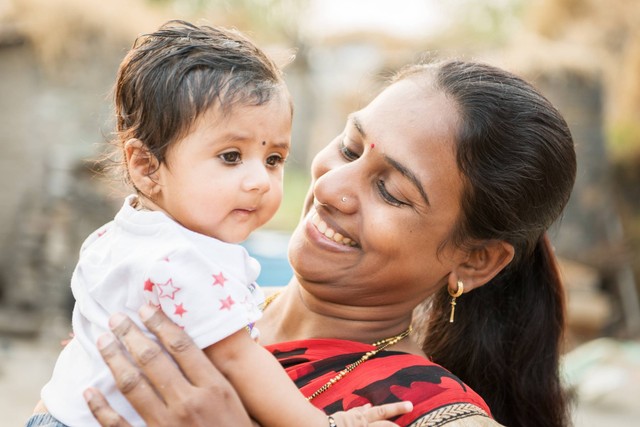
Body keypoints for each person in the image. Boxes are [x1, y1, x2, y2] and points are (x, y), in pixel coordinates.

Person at [81, 56, 577, 427]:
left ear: (476, 260)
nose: (328, 187)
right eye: (348, 147)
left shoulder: (429, 413)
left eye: (391, 191)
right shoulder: (202, 305)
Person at [27, 20, 411, 427]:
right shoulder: (180, 261)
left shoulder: (121, 235)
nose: (259, 181)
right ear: (145, 166)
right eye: (230, 156)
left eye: (273, 159)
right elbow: (239, 361)